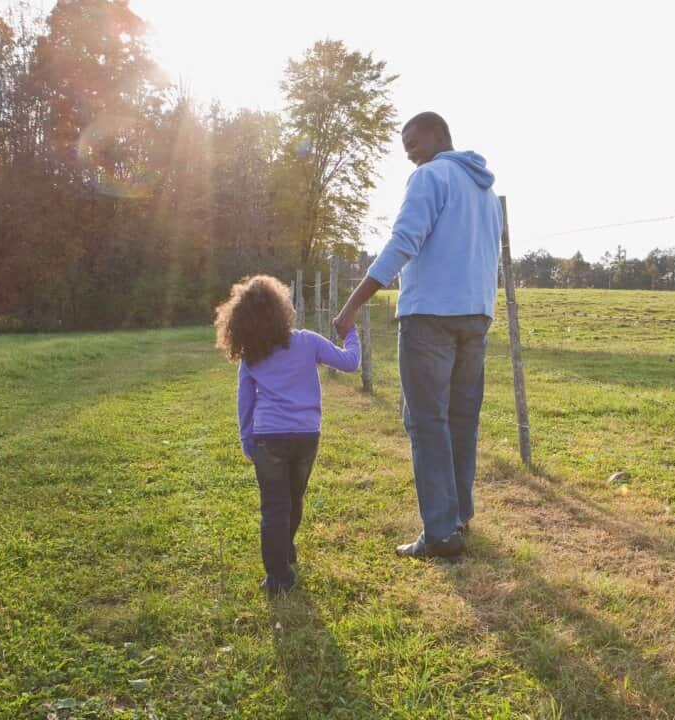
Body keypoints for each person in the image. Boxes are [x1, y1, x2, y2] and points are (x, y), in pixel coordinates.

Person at [333, 111, 502, 559]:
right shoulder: (485, 190)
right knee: (461, 421)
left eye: (413, 138)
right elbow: (488, 256)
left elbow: (404, 241)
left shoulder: (430, 177)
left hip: (430, 317)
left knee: (427, 423)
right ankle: (458, 517)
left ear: (438, 134)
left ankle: (442, 533)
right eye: (403, 143)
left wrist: (353, 303)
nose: (408, 148)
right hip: (475, 317)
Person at [214, 275, 360, 594]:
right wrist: (351, 331)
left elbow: (245, 401)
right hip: (307, 436)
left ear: (241, 320)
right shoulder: (308, 341)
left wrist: (246, 438)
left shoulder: (252, 354)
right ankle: (286, 550)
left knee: (273, 506)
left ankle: (278, 575)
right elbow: (350, 362)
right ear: (283, 309)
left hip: (268, 438)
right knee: (294, 499)